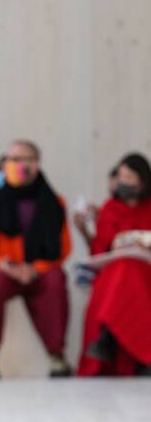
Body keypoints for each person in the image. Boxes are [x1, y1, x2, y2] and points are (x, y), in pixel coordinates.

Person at [0, 140, 73, 379]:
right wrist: (3, 265)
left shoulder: (55, 203)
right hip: (5, 268)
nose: (18, 164)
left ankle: (57, 357)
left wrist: (35, 268)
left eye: (24, 159)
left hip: (39, 270)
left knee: (56, 280)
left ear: (36, 164)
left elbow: (63, 249)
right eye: (12, 159)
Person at [77, 152, 151, 376]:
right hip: (116, 270)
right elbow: (99, 250)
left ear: (142, 180)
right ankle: (140, 355)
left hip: (146, 269)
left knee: (127, 273)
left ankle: (106, 337)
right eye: (120, 176)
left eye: (129, 177)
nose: (123, 182)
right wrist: (85, 230)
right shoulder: (110, 208)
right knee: (123, 270)